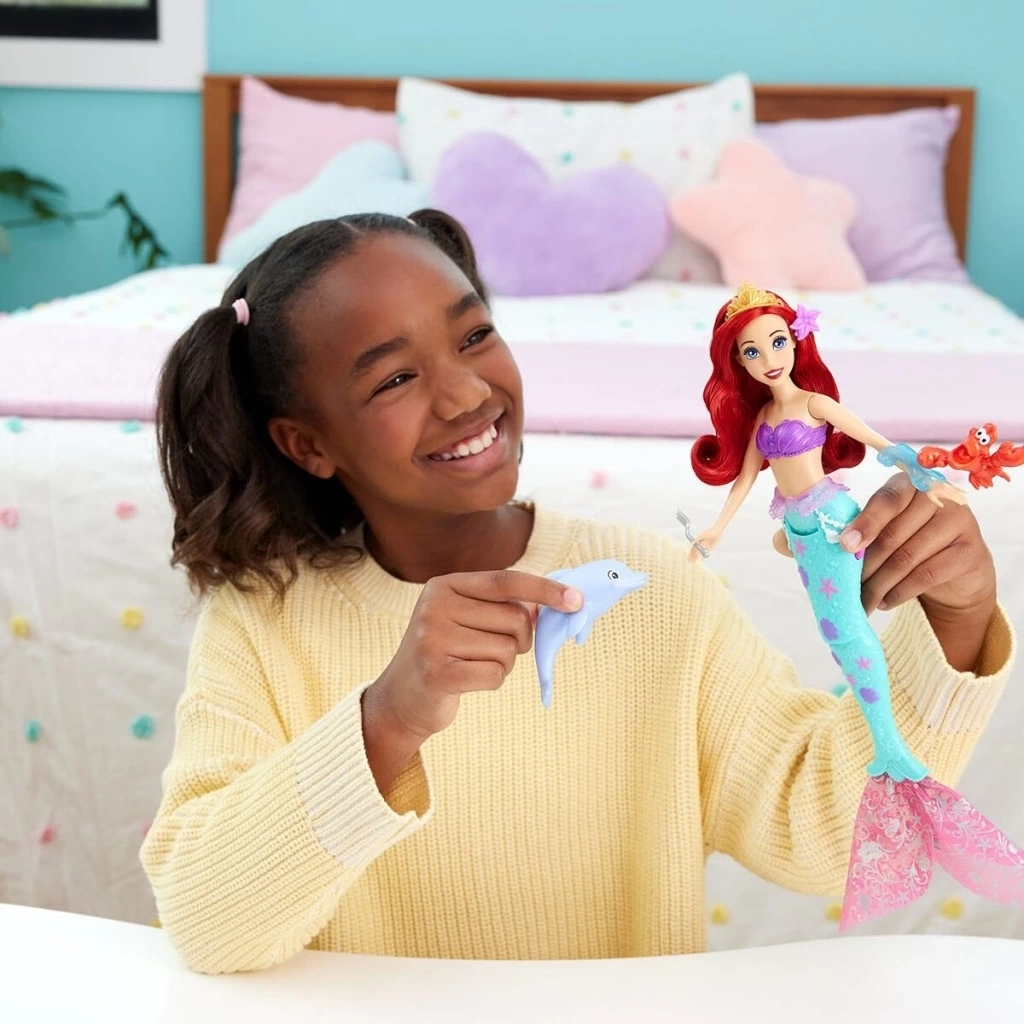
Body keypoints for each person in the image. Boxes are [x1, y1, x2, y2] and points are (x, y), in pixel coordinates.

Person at [140, 212, 1013, 975]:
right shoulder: (263, 623)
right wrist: (386, 723)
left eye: (474, 336)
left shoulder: (653, 590)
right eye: (394, 378)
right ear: (307, 444)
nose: (467, 393)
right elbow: (208, 923)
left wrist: (958, 615)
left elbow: (826, 832)